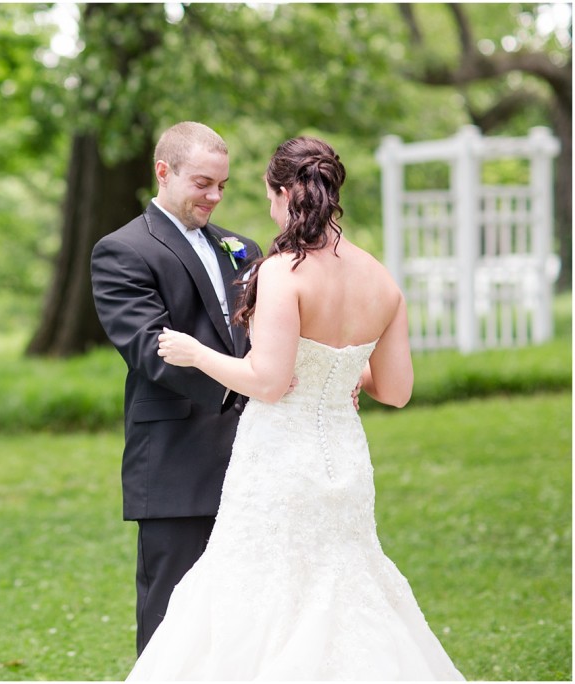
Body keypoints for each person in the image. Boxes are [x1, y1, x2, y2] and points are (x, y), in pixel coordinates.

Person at [126, 136, 465, 680]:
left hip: (279, 461)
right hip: (346, 464)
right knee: (345, 588)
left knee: (262, 592)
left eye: (266, 194)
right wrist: (344, 369)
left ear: (284, 192)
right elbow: (397, 390)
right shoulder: (381, 278)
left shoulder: (282, 271)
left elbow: (268, 381)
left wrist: (196, 353)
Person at [90, 121, 264, 655]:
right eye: (203, 183)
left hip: (258, 455)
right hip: (175, 462)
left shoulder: (242, 247)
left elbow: (271, 333)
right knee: (172, 619)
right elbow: (150, 348)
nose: (214, 196)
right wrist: (245, 389)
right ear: (163, 172)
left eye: (222, 186)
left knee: (250, 612)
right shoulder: (122, 250)